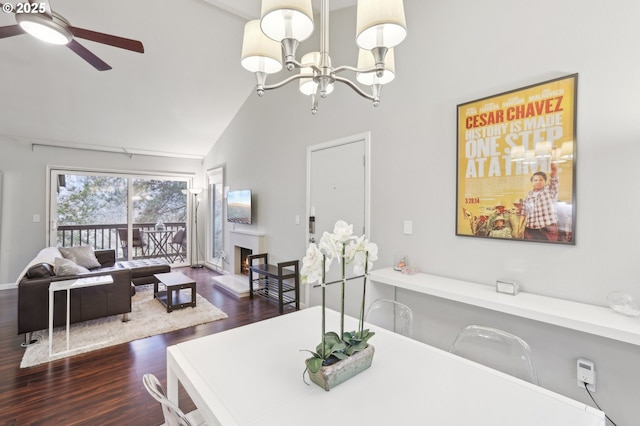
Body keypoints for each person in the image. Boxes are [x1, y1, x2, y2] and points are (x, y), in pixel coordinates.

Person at [523, 162, 559, 241]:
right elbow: (524, 213)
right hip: (530, 229)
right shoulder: (528, 196)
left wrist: (554, 169)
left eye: (541, 180)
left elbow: (554, 179)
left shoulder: (549, 190)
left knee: (550, 250)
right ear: (532, 182)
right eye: (535, 180)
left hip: (547, 228)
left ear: (545, 181)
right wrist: (520, 228)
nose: (538, 182)